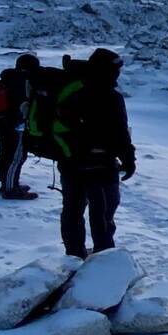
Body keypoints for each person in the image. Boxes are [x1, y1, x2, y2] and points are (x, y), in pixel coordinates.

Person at [57, 48, 136, 259]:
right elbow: (120, 132)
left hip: (70, 160)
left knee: (72, 210)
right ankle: (103, 259)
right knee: (103, 213)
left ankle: (73, 256)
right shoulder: (110, 96)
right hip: (101, 164)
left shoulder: (71, 90)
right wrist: (129, 159)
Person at [0, 53, 40, 200]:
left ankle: (7, 184)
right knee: (17, 157)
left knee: (5, 154)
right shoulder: (23, 82)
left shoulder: (8, 78)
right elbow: (23, 105)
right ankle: (11, 189)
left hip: (3, 124)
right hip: (17, 125)